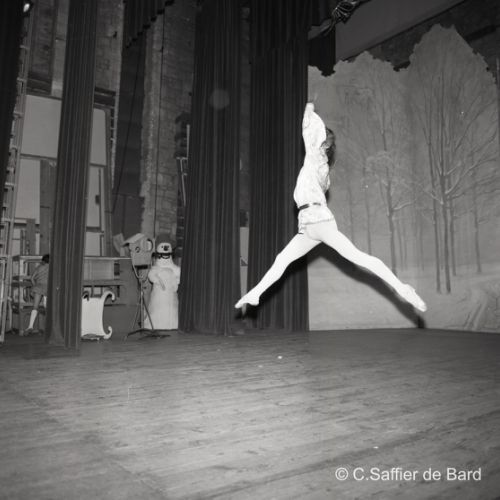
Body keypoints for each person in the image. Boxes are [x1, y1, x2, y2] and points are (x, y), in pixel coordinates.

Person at [235, 103, 426, 313]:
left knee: (358, 257)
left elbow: (310, 132)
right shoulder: (318, 164)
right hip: (307, 227)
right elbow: (315, 148)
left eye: (321, 140)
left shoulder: (316, 157)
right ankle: (255, 293)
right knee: (282, 259)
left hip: (320, 221)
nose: (315, 141)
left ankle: (403, 288)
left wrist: (309, 111)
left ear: (324, 145)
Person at [144, 240, 181, 330]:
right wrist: (157, 280)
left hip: (170, 296)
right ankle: (155, 325)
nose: (165, 256)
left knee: (171, 310)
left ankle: (172, 325)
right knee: (157, 309)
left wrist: (176, 282)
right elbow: (151, 275)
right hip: (158, 295)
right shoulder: (156, 268)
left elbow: (178, 275)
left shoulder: (174, 268)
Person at [24, 254, 50, 335]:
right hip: (48, 288)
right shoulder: (51, 268)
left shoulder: (39, 267)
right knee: (48, 308)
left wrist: (34, 287)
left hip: (38, 287)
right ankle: (48, 328)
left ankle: (30, 327)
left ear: (43, 260)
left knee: (35, 307)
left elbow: (32, 278)